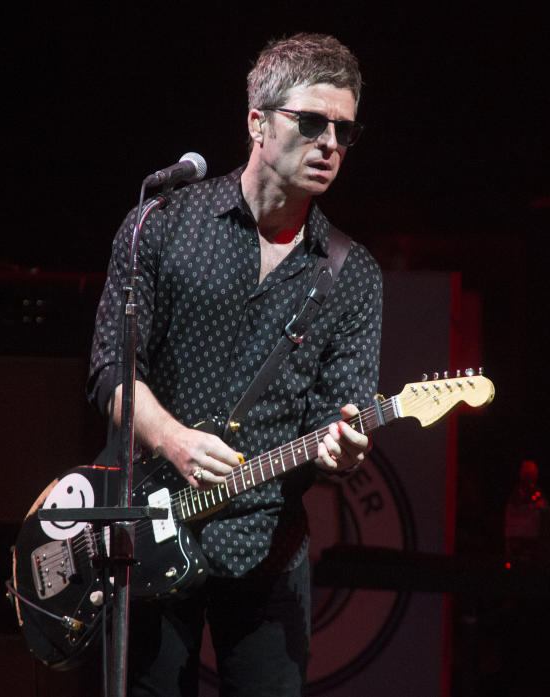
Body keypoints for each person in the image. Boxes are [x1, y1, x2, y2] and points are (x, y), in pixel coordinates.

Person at [87, 32, 383, 697]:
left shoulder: (351, 273)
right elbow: (109, 367)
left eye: (344, 129)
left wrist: (345, 446)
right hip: (149, 527)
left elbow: (344, 411)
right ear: (258, 122)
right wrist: (175, 439)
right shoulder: (161, 224)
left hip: (266, 553)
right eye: (312, 122)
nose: (330, 142)